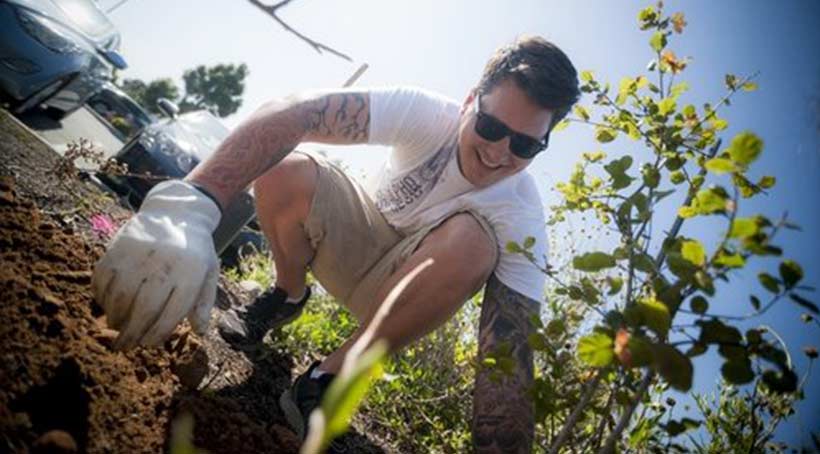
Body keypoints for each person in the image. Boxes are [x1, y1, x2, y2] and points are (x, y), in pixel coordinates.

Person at [91, 35, 580, 452]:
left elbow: (509, 359)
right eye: (491, 127)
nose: (499, 152)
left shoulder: (523, 217)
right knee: (287, 169)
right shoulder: (427, 114)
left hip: (402, 293)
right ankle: (286, 293)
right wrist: (192, 203)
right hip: (341, 241)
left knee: (477, 242)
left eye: (525, 145)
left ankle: (327, 378)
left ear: (543, 145)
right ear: (472, 100)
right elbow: (294, 111)